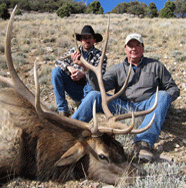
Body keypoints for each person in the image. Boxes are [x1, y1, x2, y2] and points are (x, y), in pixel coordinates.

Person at [71, 33, 180, 162]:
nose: (134, 49)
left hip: (148, 108)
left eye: (137, 45)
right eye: (130, 46)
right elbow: (99, 87)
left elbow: (173, 88)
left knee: (163, 95)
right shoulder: (117, 69)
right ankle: (69, 130)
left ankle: (142, 143)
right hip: (124, 107)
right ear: (125, 49)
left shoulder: (156, 66)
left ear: (143, 48)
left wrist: (164, 100)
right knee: (94, 95)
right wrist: (85, 68)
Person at [51, 25, 107, 117]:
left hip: (90, 90)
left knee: (92, 83)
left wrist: (83, 73)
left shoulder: (100, 56)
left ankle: (83, 109)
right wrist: (70, 68)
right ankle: (63, 111)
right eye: (84, 38)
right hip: (74, 88)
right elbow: (58, 62)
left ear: (94, 40)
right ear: (80, 40)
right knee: (56, 72)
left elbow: (100, 75)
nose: (87, 40)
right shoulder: (74, 51)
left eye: (89, 38)